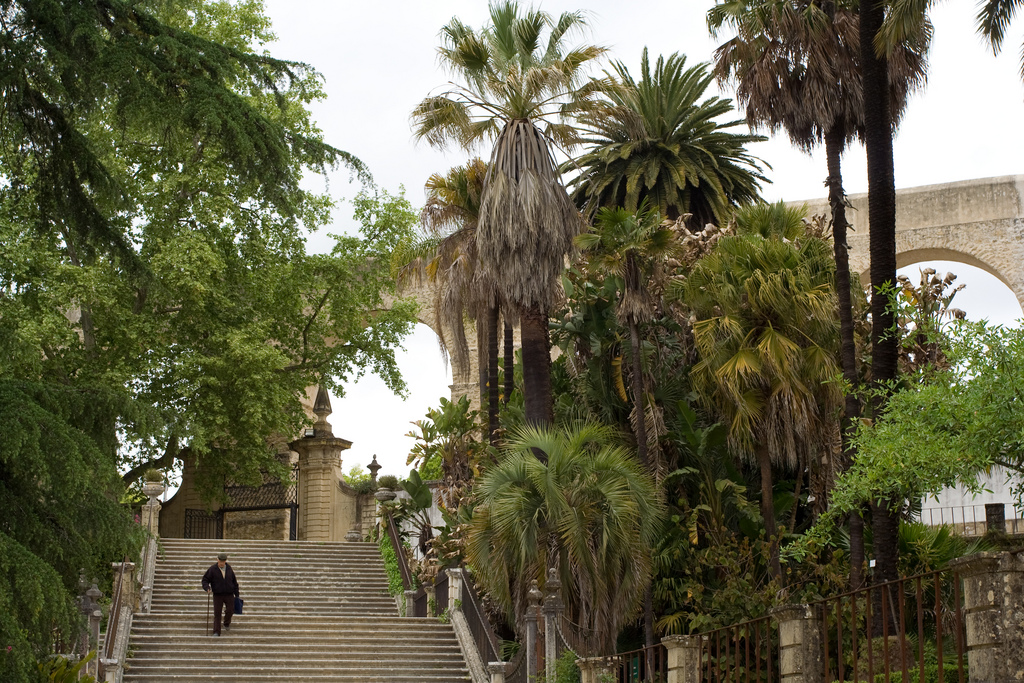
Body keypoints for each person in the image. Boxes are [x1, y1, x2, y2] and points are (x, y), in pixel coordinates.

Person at [201, 552, 239, 636]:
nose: (221, 563)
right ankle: (216, 631)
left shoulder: (229, 568)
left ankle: (226, 623)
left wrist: (237, 594)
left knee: (230, 610)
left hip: (229, 593)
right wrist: (207, 587)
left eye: (223, 561)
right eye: (220, 561)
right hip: (218, 594)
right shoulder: (212, 569)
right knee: (217, 613)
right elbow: (205, 579)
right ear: (217, 560)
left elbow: (234, 581)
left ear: (225, 561)